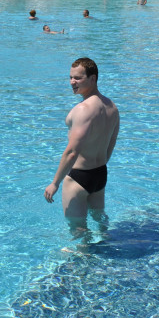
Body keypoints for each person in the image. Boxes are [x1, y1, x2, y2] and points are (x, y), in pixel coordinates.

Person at [44, 58, 120, 231]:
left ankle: (83, 250)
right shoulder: (112, 107)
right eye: (70, 77)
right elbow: (112, 141)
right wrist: (100, 165)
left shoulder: (83, 110)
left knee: (77, 230)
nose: (72, 82)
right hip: (100, 174)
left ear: (93, 79)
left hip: (78, 177)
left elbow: (72, 151)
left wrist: (55, 183)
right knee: (101, 223)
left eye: (78, 78)